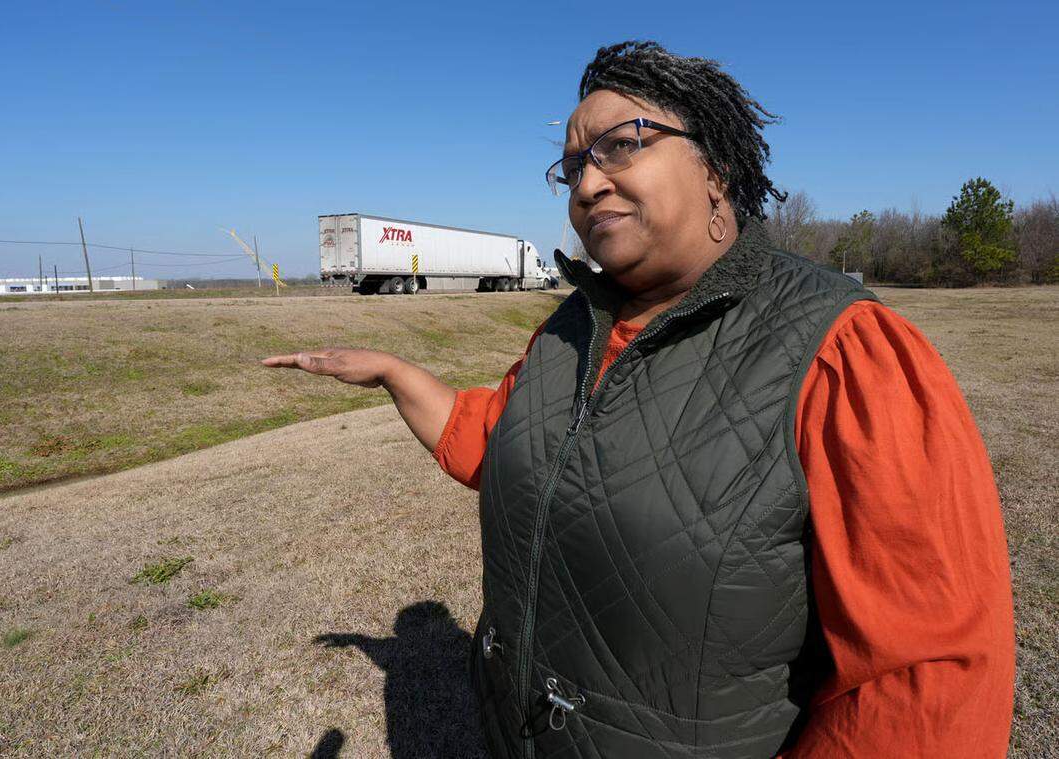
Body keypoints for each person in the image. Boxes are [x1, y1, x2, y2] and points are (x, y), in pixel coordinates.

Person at [263, 41, 1015, 758]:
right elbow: (497, 441)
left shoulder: (845, 352)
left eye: (623, 143)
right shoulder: (570, 329)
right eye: (571, 168)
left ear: (715, 164)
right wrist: (396, 371)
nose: (588, 184)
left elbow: (925, 684)